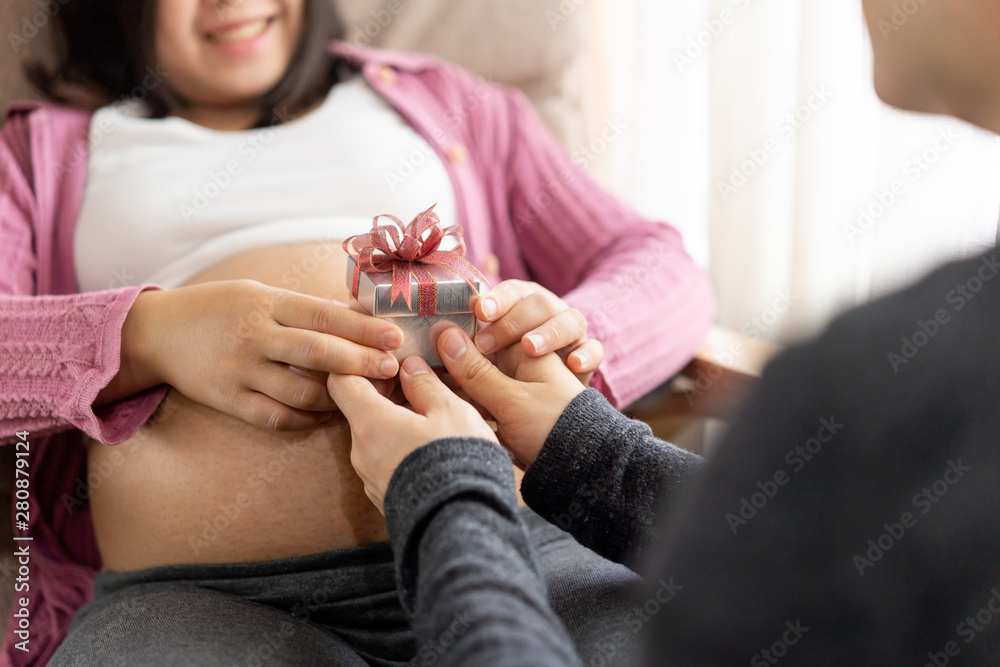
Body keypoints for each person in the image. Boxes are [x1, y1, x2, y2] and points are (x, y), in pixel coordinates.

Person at [0, 0, 714, 665]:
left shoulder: (454, 104)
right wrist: (144, 336)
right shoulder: (44, 152)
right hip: (191, 599)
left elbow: (663, 265)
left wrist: (578, 336)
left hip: (519, 549)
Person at [333, 0, 1000, 664]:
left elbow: (658, 263)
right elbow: (802, 561)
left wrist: (456, 478)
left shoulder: (883, 395)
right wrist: (583, 445)